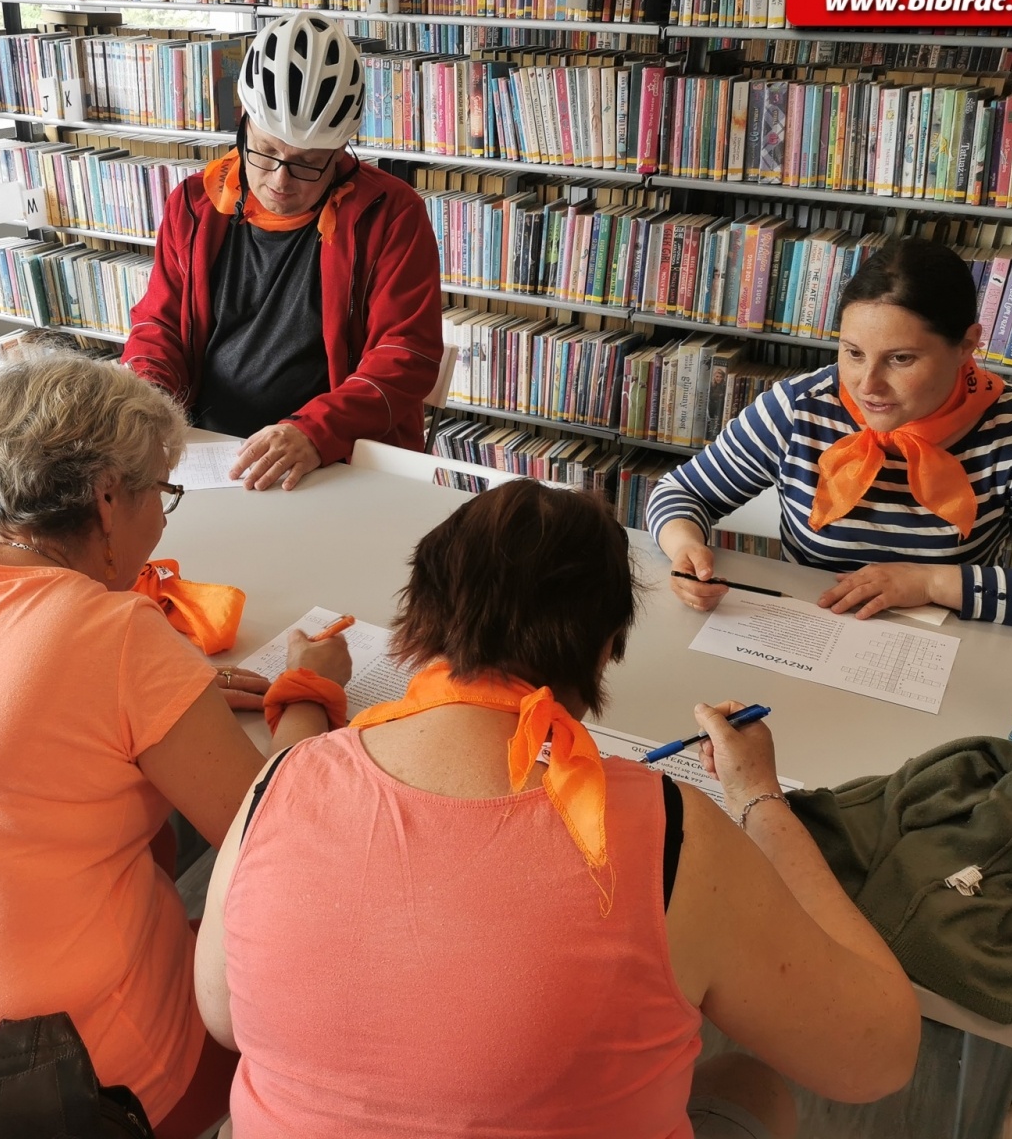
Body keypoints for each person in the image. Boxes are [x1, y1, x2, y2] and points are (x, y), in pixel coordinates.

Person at [196, 480, 920, 1138]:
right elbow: (876, 1059)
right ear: (606, 649)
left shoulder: (282, 779)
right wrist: (761, 799)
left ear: (419, 616)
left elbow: (224, 1018)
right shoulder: (672, 834)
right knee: (751, 1085)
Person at [0, 352, 351, 1138]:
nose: (163, 519)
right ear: (109, 498)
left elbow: (18, 703)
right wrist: (308, 690)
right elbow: (274, 851)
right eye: (162, 493)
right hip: (75, 1090)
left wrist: (168, 698)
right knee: (325, 984)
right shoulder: (115, 633)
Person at [647, 237, 1012, 631]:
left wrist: (929, 583)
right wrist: (684, 547)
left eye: (901, 359)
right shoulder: (802, 407)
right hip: (805, 631)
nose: (867, 385)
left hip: (948, 648)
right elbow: (681, 493)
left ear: (966, 345)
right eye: (853, 352)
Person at [122, 10, 443, 491]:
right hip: (207, 450)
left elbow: (407, 355)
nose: (280, 180)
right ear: (243, 125)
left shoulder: (391, 214)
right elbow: (159, 325)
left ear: (340, 153)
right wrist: (147, 400)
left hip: (336, 457)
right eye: (266, 151)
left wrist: (315, 431)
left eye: (308, 163)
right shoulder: (194, 204)